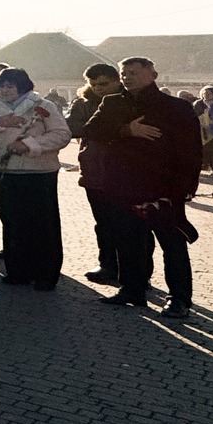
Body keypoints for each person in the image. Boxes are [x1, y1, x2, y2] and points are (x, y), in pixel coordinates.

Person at [85, 56, 203, 317]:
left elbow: (192, 151)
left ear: (153, 74)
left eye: (133, 72)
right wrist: (126, 130)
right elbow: (91, 131)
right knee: (130, 242)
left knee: (172, 244)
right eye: (123, 73)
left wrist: (185, 187)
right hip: (124, 186)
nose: (127, 77)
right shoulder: (112, 102)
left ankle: (179, 299)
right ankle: (132, 289)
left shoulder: (177, 108)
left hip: (165, 188)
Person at [0, 68, 72, 289]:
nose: (5, 89)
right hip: (7, 171)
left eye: (11, 85)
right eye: (2, 85)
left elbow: (62, 134)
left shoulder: (44, 106)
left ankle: (45, 275)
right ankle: (18, 271)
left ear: (23, 85)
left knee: (42, 224)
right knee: (13, 223)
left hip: (39, 172)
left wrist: (29, 145)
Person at [68, 63, 126, 284]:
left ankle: (137, 270)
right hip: (93, 169)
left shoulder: (129, 101)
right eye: (93, 84)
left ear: (116, 80)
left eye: (103, 84)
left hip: (123, 170)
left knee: (130, 224)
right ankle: (107, 264)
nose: (98, 88)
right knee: (103, 222)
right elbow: (74, 128)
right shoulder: (83, 102)